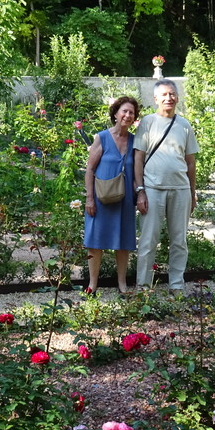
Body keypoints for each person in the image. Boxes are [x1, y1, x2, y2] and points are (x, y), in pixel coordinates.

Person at [133, 80, 199, 291]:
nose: (168, 98)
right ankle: (143, 286)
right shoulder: (148, 122)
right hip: (152, 189)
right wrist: (140, 190)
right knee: (147, 241)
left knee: (179, 241)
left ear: (177, 97)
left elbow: (190, 162)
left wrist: (192, 192)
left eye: (172, 94)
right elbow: (138, 159)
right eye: (164, 95)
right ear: (155, 99)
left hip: (180, 190)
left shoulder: (184, 125)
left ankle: (176, 286)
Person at [84, 96, 140, 294]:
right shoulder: (102, 137)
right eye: (124, 111)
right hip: (100, 198)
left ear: (134, 118)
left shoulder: (135, 141)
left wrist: (139, 194)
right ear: (115, 113)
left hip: (125, 200)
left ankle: (122, 284)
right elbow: (90, 169)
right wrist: (89, 198)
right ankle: (92, 284)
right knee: (95, 241)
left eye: (131, 112)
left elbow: (136, 172)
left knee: (123, 243)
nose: (127, 115)